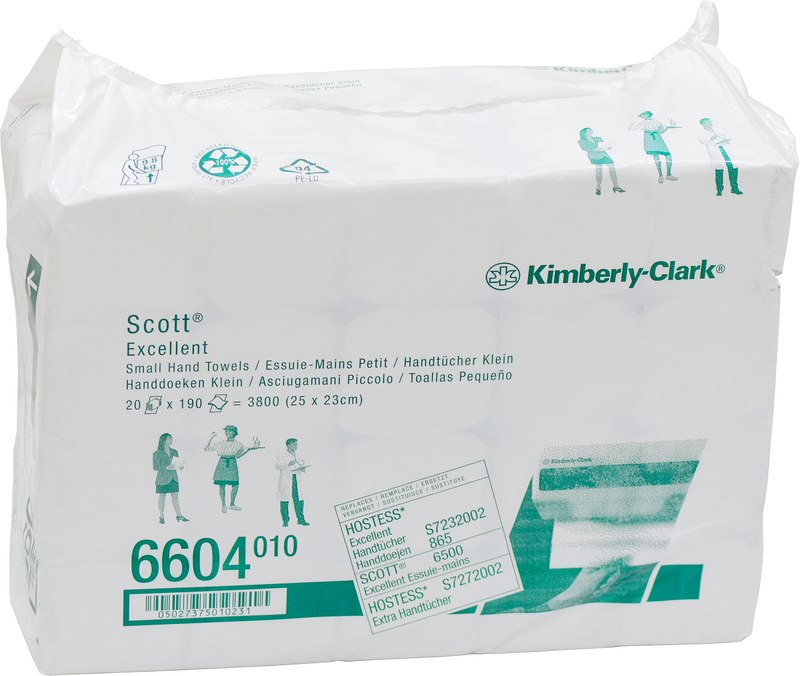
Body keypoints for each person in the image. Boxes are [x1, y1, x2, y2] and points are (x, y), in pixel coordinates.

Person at [205, 425, 263, 513]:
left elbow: (238, 456)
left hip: (232, 463)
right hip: (222, 462)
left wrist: (248, 450)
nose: (227, 433)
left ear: (234, 433)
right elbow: (207, 448)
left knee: (235, 484)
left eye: (230, 431)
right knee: (222, 484)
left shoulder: (238, 444)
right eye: (226, 431)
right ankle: (223, 505)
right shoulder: (221, 443)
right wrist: (212, 437)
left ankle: (232, 504)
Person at [629, 111, 679, 183]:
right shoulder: (642, 123)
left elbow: (661, 131)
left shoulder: (657, 122)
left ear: (648, 114)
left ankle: (668, 174)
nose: (642, 117)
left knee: (668, 155)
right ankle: (660, 175)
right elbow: (633, 128)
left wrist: (668, 127)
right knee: (656, 156)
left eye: (643, 115)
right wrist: (630, 126)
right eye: (642, 116)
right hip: (649, 138)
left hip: (657, 137)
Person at [697, 117, 743, 196]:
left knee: (733, 167)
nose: (711, 123)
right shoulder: (701, 132)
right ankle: (719, 190)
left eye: (710, 121)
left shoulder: (716, 129)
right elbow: (701, 140)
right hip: (716, 151)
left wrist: (724, 139)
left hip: (724, 149)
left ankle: (734, 188)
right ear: (703, 124)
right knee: (719, 170)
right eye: (708, 122)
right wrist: (710, 138)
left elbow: (724, 135)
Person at [152, 433, 189, 524]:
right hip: (162, 478)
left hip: (173, 478)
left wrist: (180, 466)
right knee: (162, 496)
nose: (172, 440)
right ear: (164, 440)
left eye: (171, 438)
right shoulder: (157, 453)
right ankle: (161, 515)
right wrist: (166, 467)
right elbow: (155, 467)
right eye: (170, 438)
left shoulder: (175, 452)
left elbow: (176, 464)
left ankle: (179, 515)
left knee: (175, 497)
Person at [577, 128, 625, 195]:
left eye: (591, 130)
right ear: (585, 133)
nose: (591, 131)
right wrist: (594, 149)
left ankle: (616, 186)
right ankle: (598, 187)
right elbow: (584, 148)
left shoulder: (598, 138)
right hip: (594, 156)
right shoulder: (582, 141)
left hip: (603, 154)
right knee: (599, 168)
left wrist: (608, 147)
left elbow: (603, 146)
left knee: (611, 165)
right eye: (589, 130)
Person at [275, 438, 310, 527]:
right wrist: (288, 463)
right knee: (284, 500)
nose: (296, 446)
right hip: (286, 479)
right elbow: (277, 466)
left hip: (296, 478)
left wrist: (302, 467)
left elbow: (301, 463)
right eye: (294, 444)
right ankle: (285, 521)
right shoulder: (281, 455)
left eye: (296, 444)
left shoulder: (298, 454)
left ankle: (301, 519)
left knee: (299, 500)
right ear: (288, 445)